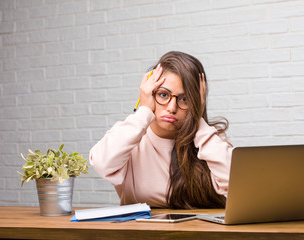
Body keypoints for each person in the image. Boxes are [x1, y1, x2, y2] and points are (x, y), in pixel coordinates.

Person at [90, 51, 233, 209]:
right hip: (143, 231)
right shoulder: (129, 136)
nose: (172, 108)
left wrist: (197, 119)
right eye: (163, 95)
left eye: (184, 99)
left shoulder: (209, 137)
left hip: (204, 232)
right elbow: (102, 163)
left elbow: (234, 181)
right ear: (149, 94)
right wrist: (144, 110)